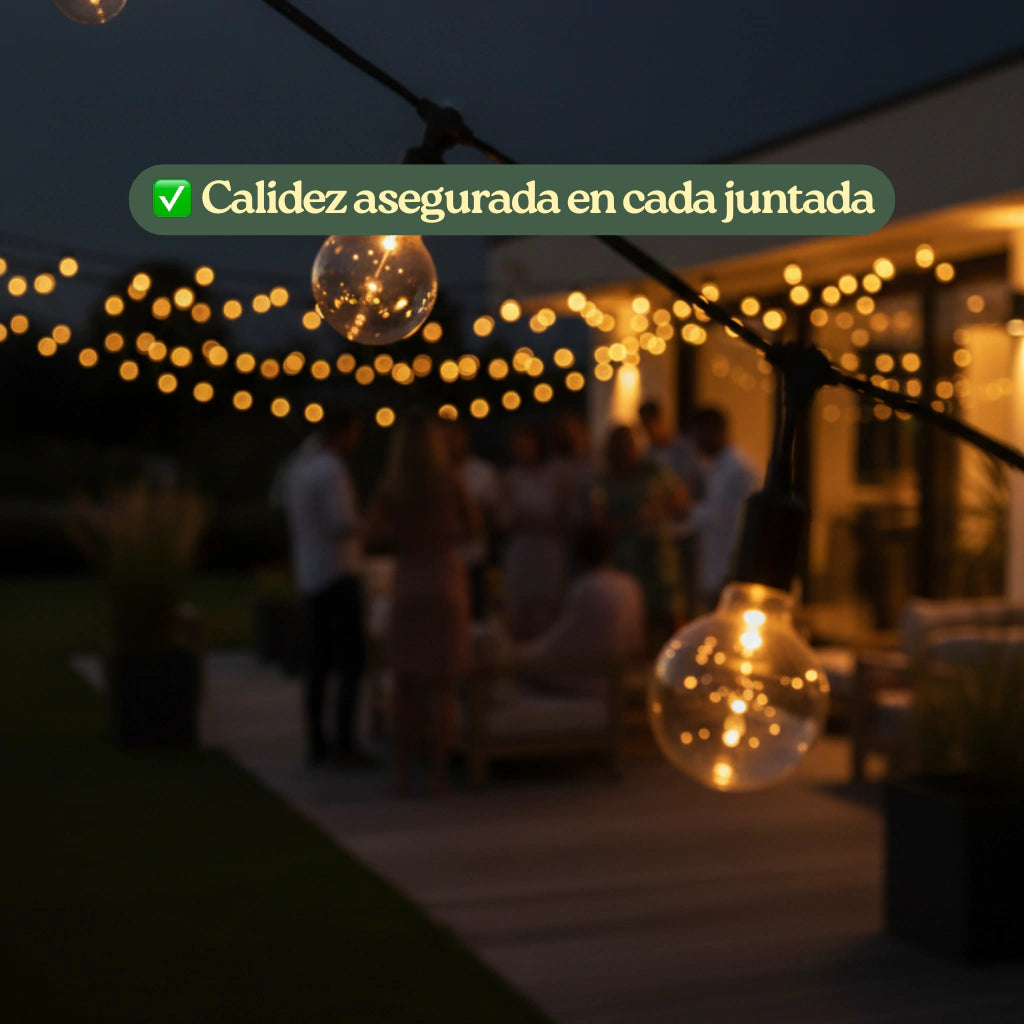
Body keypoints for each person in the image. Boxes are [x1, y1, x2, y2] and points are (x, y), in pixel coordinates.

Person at [364, 409, 480, 797]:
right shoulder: (450, 483)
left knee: (405, 686)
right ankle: (437, 776)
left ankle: (401, 774)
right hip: (444, 583)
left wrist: (402, 532)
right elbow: (474, 529)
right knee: (442, 688)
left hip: (409, 584)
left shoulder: (391, 487)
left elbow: (372, 534)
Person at [280, 406, 367, 766]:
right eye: (355, 433)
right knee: (349, 662)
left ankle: (317, 741)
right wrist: (372, 524)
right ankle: (344, 742)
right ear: (342, 432)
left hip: (310, 574)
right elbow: (341, 523)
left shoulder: (300, 465)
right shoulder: (331, 469)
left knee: (317, 663)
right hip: (336, 574)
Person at [517, 524, 645, 696]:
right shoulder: (629, 585)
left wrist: (526, 652)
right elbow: (636, 639)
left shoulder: (585, 588)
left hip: (587, 674)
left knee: (521, 662)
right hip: (619, 671)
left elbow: (563, 638)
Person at [592, 424, 688, 649]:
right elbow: (600, 520)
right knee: (636, 616)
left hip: (658, 555)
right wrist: (631, 521)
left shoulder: (652, 470)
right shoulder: (606, 480)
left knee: (670, 610)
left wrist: (659, 509)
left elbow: (680, 498)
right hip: (627, 558)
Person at [499, 424, 568, 642]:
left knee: (550, 607)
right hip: (522, 552)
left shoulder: (556, 475)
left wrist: (534, 521)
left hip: (548, 551)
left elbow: (564, 517)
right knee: (521, 609)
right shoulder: (510, 478)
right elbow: (504, 521)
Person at [688, 406, 760, 612]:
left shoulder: (737, 469)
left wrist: (685, 507)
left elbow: (730, 519)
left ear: (714, 431)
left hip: (730, 572)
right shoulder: (717, 467)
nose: (696, 442)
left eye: (699, 435)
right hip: (719, 571)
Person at [444, 420, 500, 619]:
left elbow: (490, 517)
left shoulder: (483, 473)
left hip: (473, 557)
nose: (450, 443)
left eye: (454, 437)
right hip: (443, 561)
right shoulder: (433, 474)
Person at [638, 399, 703, 498]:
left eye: (650, 427)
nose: (649, 433)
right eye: (645, 429)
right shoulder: (648, 456)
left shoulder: (684, 448)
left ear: (660, 421)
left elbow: (694, 480)